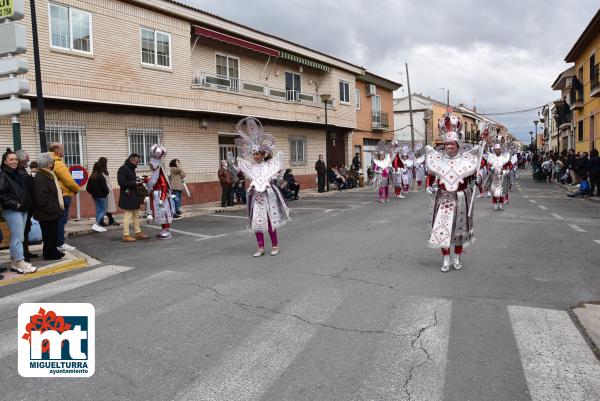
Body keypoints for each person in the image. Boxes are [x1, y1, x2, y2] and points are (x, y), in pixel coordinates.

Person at [425, 114, 482, 272]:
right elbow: (430, 175)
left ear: (457, 145)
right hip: (443, 200)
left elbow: (475, 176)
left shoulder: (467, 160)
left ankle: (456, 258)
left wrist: (478, 180)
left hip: (461, 200)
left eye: (452, 144)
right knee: (442, 231)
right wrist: (428, 186)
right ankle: (445, 259)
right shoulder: (437, 159)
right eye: (447, 144)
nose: (449, 147)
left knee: (458, 233)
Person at [234, 117, 290, 257]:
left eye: (257, 153)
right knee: (257, 223)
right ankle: (260, 247)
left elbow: (276, 173)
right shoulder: (250, 167)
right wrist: (232, 166)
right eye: (253, 153)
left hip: (268, 197)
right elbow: (241, 172)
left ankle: (275, 245)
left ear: (263, 154)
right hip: (256, 197)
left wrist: (275, 180)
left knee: (271, 222)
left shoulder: (269, 165)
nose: (255, 156)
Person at [0, 148, 36, 273]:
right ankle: (21, 262)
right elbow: (2, 195)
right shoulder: (3, 175)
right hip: (13, 210)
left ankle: (15, 262)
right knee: (18, 237)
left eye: (15, 159)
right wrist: (15, 204)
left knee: (18, 236)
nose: (14, 161)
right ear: (5, 161)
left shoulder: (17, 173)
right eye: (11, 159)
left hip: (23, 209)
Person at [31, 153, 65, 261]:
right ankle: (49, 254)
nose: (53, 163)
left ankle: (53, 251)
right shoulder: (41, 177)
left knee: (52, 233)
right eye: (52, 162)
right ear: (48, 164)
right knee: (48, 235)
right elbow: (42, 198)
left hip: (51, 211)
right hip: (46, 212)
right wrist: (54, 209)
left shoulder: (48, 175)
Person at [49, 142, 80, 252]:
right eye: (62, 149)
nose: (64, 151)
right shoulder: (58, 163)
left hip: (54, 195)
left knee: (57, 221)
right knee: (61, 221)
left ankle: (57, 242)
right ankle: (60, 243)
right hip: (63, 195)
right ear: (56, 150)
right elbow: (68, 180)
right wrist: (77, 189)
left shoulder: (48, 161)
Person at [117, 153, 150, 242]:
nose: (138, 163)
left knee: (136, 214)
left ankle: (138, 232)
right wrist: (134, 183)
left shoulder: (131, 168)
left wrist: (138, 180)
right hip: (127, 195)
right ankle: (126, 235)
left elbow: (130, 180)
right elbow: (121, 182)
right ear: (131, 160)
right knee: (128, 215)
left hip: (133, 195)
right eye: (137, 161)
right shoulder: (123, 168)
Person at [146, 145, 175, 239]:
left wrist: (162, 199)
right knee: (160, 214)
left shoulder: (160, 174)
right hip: (156, 195)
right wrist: (146, 180)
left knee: (164, 214)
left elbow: (164, 186)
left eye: (151, 164)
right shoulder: (155, 173)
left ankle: (166, 232)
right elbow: (153, 182)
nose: (150, 166)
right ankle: (163, 231)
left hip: (161, 196)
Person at [15, 150, 38, 262]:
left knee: (26, 229)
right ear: (22, 161)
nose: (28, 161)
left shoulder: (23, 171)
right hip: (24, 206)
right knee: (22, 231)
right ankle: (22, 254)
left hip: (27, 206)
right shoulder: (19, 172)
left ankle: (26, 251)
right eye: (27, 159)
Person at [485, 143, 512, 211]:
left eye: (497, 149)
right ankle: (495, 204)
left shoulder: (504, 158)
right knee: (494, 191)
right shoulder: (492, 157)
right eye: (495, 149)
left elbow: (510, 166)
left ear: (500, 150)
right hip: (494, 177)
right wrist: (490, 168)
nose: (496, 151)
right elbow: (488, 165)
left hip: (502, 177)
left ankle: (500, 204)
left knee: (501, 191)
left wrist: (505, 171)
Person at [86, 162, 109, 233]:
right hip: (101, 196)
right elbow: (104, 188)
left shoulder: (92, 176)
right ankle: (96, 224)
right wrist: (106, 193)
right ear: (101, 168)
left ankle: (98, 225)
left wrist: (92, 193)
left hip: (94, 196)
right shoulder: (101, 177)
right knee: (103, 210)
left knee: (98, 210)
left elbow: (87, 188)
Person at [97, 157, 119, 226]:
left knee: (105, 207)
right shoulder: (101, 172)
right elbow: (104, 183)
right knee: (103, 208)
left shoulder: (102, 171)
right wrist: (107, 190)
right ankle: (102, 221)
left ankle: (110, 220)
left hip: (106, 191)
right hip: (105, 192)